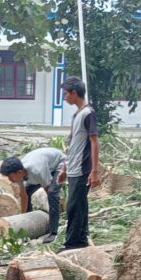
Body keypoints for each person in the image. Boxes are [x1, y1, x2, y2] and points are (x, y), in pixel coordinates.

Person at [57, 76, 99, 251]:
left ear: (74, 93)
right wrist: (64, 168)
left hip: (83, 168)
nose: (64, 97)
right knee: (78, 204)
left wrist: (94, 171)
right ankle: (80, 239)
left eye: (66, 93)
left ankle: (72, 243)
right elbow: (73, 143)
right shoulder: (77, 114)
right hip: (73, 167)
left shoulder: (88, 113)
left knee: (74, 205)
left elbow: (94, 142)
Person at [0, 147, 66, 243]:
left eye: (10, 177)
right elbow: (23, 195)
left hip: (59, 165)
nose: (10, 180)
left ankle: (53, 231)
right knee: (27, 190)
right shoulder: (20, 173)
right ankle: (29, 220)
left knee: (52, 194)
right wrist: (22, 218)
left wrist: (54, 209)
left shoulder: (37, 171)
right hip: (44, 166)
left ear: (19, 172)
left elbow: (48, 191)